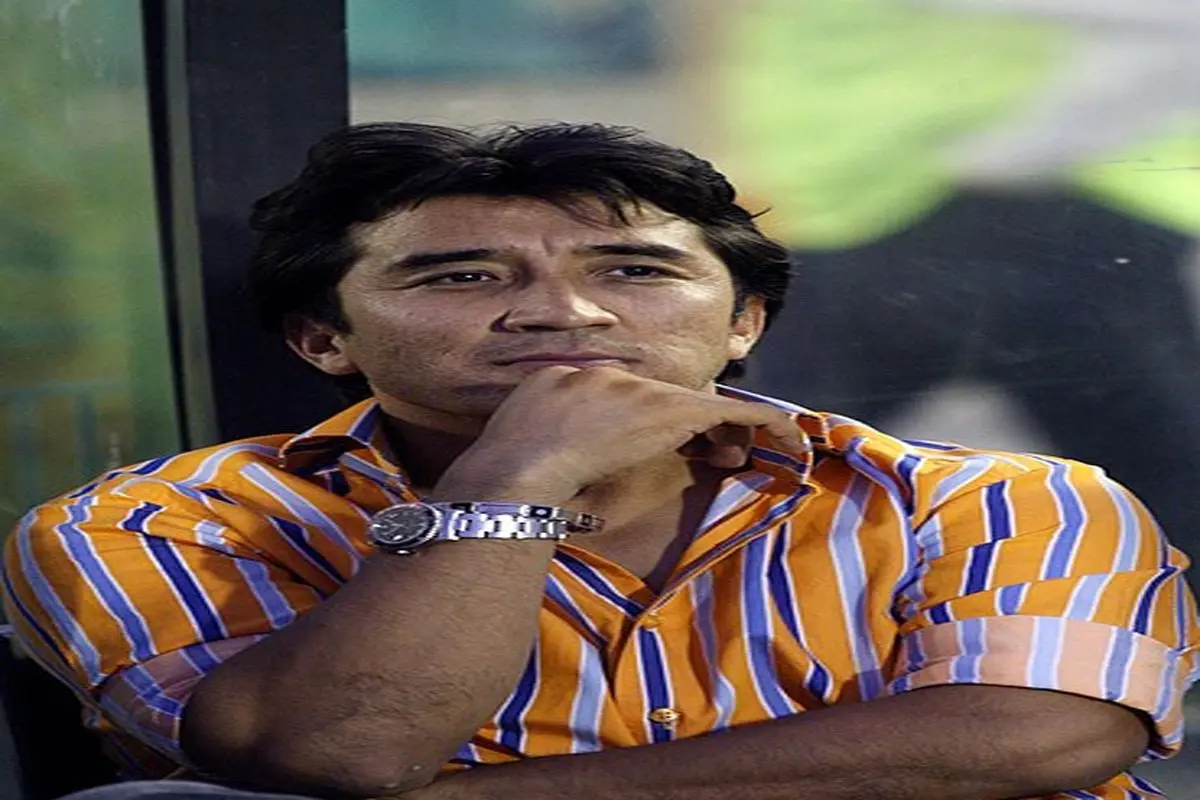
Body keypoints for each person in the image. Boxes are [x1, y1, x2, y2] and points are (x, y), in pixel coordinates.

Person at [4, 122, 1197, 800]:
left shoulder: (999, 497)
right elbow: (332, 752)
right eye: (462, 276)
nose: (562, 310)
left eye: (635, 270)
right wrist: (514, 480)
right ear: (324, 338)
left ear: (744, 324)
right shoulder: (162, 523)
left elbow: (1041, 735)